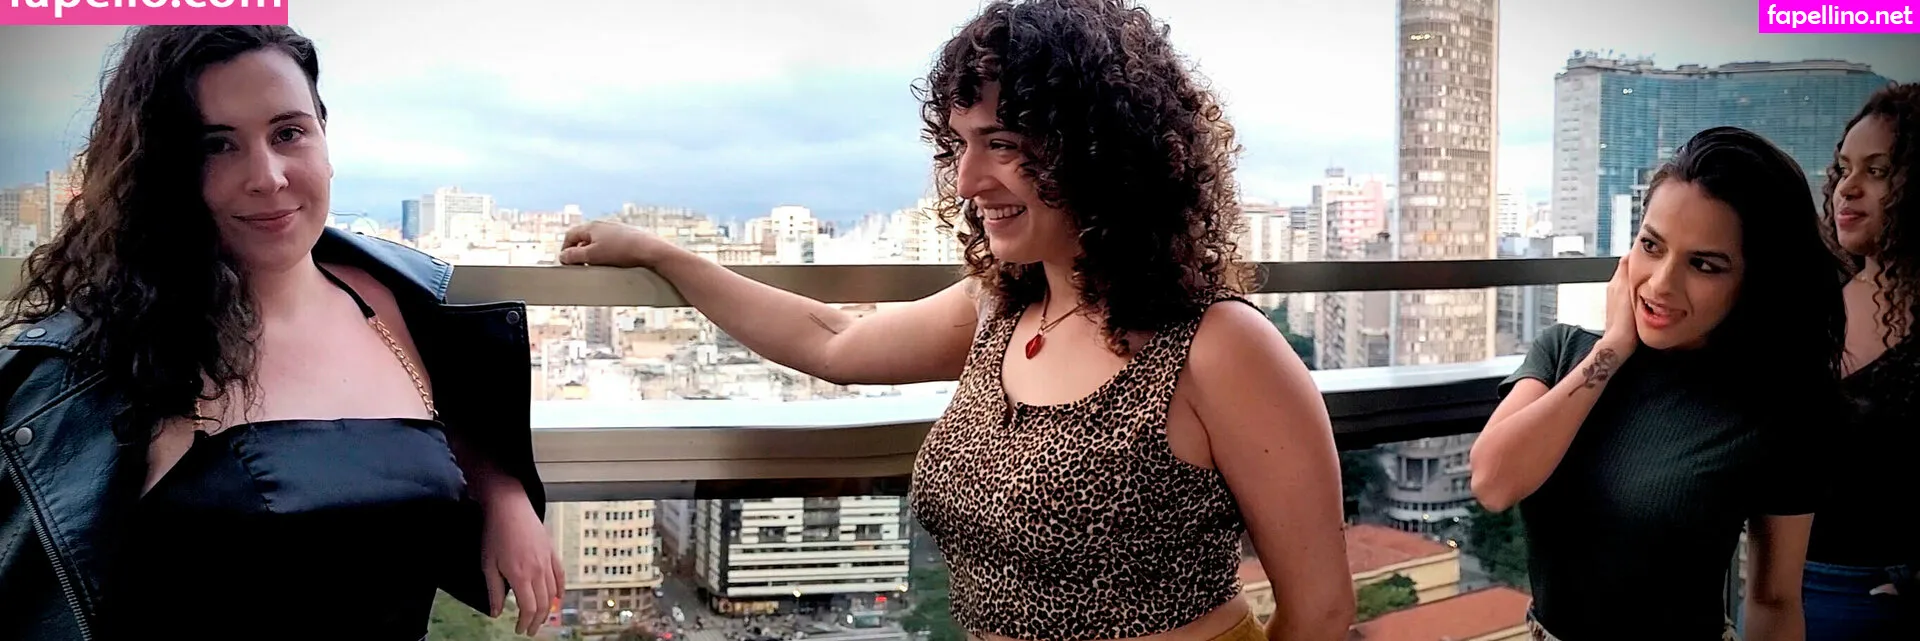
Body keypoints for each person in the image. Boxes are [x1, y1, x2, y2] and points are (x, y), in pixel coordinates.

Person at [557, 1, 1353, 639]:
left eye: (1000, 143)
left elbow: (1319, 611)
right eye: (961, 144)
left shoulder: (1220, 347)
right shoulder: (999, 308)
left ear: (1100, 150)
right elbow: (832, 341)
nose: (968, 179)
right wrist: (662, 254)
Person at [0, 26, 559, 640]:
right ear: (164, 169)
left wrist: (503, 492)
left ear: (325, 139)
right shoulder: (102, 357)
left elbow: (426, 432)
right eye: (218, 145)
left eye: (288, 133)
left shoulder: (398, 304)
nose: (267, 176)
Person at [1468, 127, 1848, 640]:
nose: (1662, 283)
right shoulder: (1565, 353)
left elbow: (1773, 599)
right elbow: (1493, 481)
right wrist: (1612, 348)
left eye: (1704, 264)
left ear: (1754, 282)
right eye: (1652, 245)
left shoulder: (1774, 408)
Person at [1804, 82, 1920, 641]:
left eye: (1877, 172)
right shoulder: (1817, 300)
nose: (1847, 188)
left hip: (1881, 598)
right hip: (1782, 586)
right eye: (1844, 169)